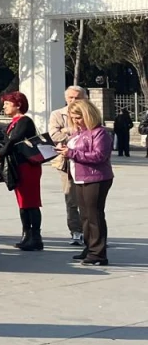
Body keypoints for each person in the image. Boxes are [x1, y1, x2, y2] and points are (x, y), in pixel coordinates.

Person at [60, 99, 114, 266]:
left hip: (97, 178)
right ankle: (89, 247)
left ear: (88, 114)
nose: (76, 121)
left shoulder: (100, 133)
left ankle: (98, 253)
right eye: (73, 118)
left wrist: (72, 153)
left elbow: (99, 156)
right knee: (84, 215)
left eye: (79, 117)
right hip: (80, 177)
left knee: (94, 215)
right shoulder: (79, 132)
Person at [0, 91, 44, 251]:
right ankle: (27, 234)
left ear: (18, 104)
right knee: (23, 202)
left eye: (8, 103)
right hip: (18, 165)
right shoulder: (14, 122)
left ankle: (35, 237)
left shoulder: (24, 121)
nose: (5, 106)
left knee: (30, 202)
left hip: (27, 166)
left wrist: (0, 153)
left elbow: (14, 140)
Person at [48, 85, 89, 247]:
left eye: (77, 98)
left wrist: (67, 132)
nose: (73, 101)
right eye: (70, 97)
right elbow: (54, 135)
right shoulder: (57, 114)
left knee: (90, 201)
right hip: (65, 162)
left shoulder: (90, 113)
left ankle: (91, 233)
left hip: (87, 161)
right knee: (71, 198)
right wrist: (75, 130)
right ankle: (76, 232)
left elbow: (95, 135)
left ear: (84, 98)